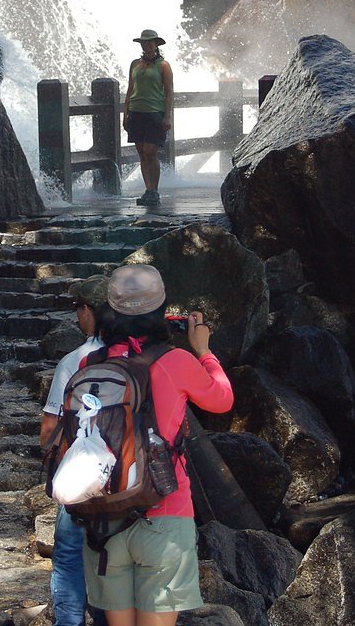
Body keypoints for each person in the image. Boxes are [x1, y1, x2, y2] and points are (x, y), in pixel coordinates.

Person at [82, 264, 233, 626]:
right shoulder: (175, 361)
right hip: (164, 512)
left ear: (110, 310)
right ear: (161, 311)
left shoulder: (92, 362)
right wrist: (204, 351)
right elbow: (222, 399)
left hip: (105, 516)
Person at [40, 276, 109, 626]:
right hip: (127, 477)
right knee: (112, 560)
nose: (76, 315)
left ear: (89, 310)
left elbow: (49, 431)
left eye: (78, 308)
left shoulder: (73, 362)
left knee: (68, 557)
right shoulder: (139, 358)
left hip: (82, 477)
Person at [123, 29, 173, 207]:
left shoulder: (163, 65)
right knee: (142, 153)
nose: (147, 45)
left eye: (150, 42)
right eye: (144, 42)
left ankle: (154, 191)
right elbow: (130, 89)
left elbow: (169, 93)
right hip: (136, 111)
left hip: (154, 112)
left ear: (156, 44)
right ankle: (148, 189)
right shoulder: (135, 64)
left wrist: (167, 116)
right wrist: (125, 114)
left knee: (150, 151)